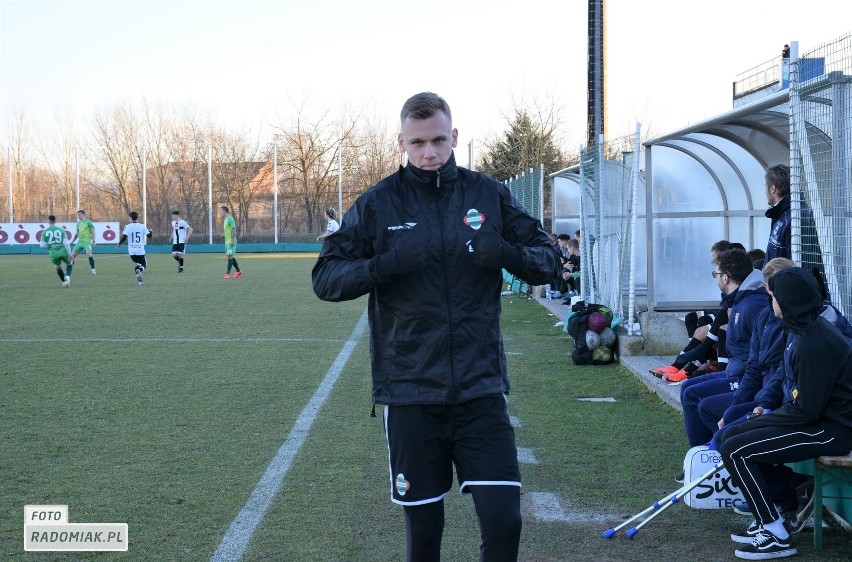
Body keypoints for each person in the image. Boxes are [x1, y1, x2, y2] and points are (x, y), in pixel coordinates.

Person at [312, 92, 559, 562]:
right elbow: (326, 278)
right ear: (402, 142)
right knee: (424, 534)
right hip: (409, 393)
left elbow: (548, 259)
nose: (429, 153)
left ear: (455, 137)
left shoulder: (487, 194)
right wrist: (383, 265)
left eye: (439, 140)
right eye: (418, 142)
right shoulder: (378, 203)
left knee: (505, 521)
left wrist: (506, 255)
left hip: (479, 388)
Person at [719, 267, 852, 560]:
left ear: (789, 301)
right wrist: (753, 421)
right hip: (816, 420)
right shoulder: (801, 329)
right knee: (732, 436)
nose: (771, 303)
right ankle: (770, 517)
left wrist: (761, 420)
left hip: (832, 430)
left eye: (774, 297)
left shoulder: (814, 341)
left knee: (737, 449)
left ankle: (776, 534)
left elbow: (806, 409)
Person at [674, 248, 770, 481]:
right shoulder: (740, 301)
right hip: (739, 372)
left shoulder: (753, 304)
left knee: (699, 399)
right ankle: (700, 456)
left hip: (749, 378)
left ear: (725, 277)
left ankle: (715, 458)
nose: (715, 278)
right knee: (688, 388)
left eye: (715, 273)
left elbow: (758, 358)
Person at [116, 211, 151, 286]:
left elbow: (124, 237)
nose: (128, 218)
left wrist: (119, 243)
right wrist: (151, 231)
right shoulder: (142, 226)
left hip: (131, 251)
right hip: (140, 250)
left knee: (138, 266)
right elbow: (150, 236)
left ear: (131, 218)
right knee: (144, 265)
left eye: (129, 217)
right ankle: (140, 271)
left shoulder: (127, 226)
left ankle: (140, 282)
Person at [39, 215, 73, 287]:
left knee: (58, 267)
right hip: (63, 252)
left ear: (48, 221)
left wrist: (49, 246)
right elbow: (66, 243)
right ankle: (67, 277)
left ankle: (64, 282)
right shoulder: (61, 230)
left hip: (53, 253)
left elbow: (41, 245)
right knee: (70, 263)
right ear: (55, 221)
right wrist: (69, 253)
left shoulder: (45, 232)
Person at [70, 209, 97, 274]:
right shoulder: (78, 223)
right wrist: (72, 241)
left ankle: (93, 270)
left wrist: (93, 241)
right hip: (80, 242)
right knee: (72, 256)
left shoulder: (88, 222)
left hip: (87, 241)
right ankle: (69, 269)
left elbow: (93, 231)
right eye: (77, 215)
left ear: (83, 215)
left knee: (88, 254)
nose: (78, 216)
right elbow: (77, 233)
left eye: (79, 215)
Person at [221, 206, 243, 279]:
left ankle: (227, 273)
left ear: (225, 211)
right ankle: (238, 271)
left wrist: (232, 240)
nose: (220, 213)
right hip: (227, 241)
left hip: (230, 241)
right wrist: (223, 234)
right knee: (229, 256)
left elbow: (233, 229)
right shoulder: (225, 219)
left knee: (229, 256)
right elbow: (228, 229)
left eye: (221, 211)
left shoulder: (230, 219)